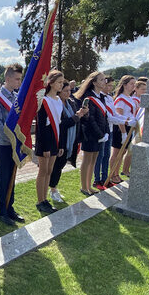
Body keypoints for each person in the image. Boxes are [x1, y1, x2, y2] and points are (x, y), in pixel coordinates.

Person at [0, 63, 24, 226]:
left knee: (12, 176)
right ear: (8, 78)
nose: (19, 82)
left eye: (20, 79)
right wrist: (11, 138)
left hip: (14, 145)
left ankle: (10, 207)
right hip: (3, 145)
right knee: (2, 178)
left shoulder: (17, 98)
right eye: (17, 79)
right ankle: (1, 210)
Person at [35, 70, 66, 213]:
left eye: (62, 82)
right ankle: (40, 201)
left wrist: (59, 144)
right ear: (51, 83)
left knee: (50, 171)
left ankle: (45, 199)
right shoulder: (44, 100)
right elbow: (41, 126)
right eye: (59, 82)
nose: (62, 84)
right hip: (44, 140)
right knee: (43, 171)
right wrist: (46, 146)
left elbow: (59, 123)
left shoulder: (59, 100)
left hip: (55, 138)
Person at [50, 79, 86, 202]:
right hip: (60, 139)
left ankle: (54, 188)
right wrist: (77, 117)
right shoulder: (56, 103)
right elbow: (60, 123)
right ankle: (52, 189)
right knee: (56, 166)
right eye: (65, 91)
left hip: (70, 140)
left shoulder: (70, 103)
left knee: (61, 165)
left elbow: (74, 120)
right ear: (59, 91)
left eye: (69, 90)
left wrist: (81, 114)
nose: (68, 93)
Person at [74, 72, 109, 195]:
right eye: (101, 79)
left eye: (104, 79)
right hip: (90, 134)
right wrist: (100, 135)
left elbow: (104, 117)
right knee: (87, 160)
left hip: (100, 134)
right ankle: (84, 187)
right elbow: (90, 118)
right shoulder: (88, 97)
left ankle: (89, 186)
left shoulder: (102, 97)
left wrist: (106, 133)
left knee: (93, 161)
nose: (104, 81)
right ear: (94, 82)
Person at [109, 75, 137, 182]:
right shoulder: (120, 99)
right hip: (121, 128)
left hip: (128, 127)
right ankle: (112, 174)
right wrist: (123, 133)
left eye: (134, 84)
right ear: (124, 85)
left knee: (123, 152)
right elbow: (119, 115)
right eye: (131, 84)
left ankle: (116, 173)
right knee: (117, 153)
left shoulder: (130, 98)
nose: (133, 86)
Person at [93, 75, 115, 190]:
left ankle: (105, 179)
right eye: (108, 85)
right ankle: (97, 180)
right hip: (102, 132)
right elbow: (109, 117)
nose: (109, 88)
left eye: (111, 86)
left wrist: (126, 120)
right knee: (99, 156)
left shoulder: (110, 98)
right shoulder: (101, 98)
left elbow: (114, 115)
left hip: (109, 130)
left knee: (106, 155)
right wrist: (125, 122)